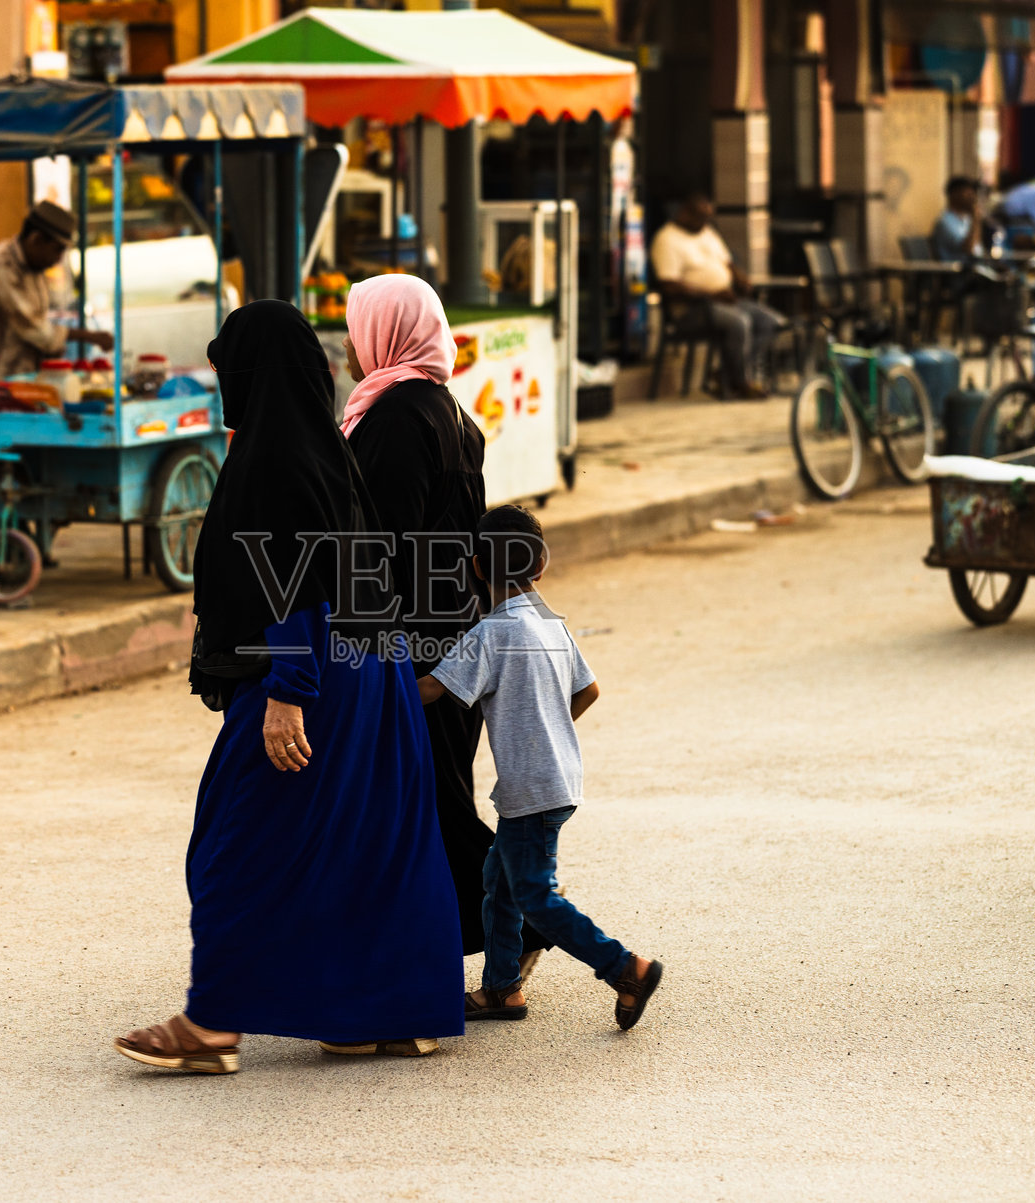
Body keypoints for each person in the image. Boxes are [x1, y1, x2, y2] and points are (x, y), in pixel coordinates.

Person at [114, 300, 463, 1074]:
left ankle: (210, 1026)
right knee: (363, 846)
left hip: (310, 675)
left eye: (225, 367)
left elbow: (296, 581)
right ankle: (383, 1015)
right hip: (371, 675)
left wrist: (289, 689)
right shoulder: (327, 450)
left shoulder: (275, 458)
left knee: (235, 842)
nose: (221, 381)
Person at [339, 273, 556, 977]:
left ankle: (529, 921)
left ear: (387, 332)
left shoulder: (398, 416)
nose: (348, 347)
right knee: (429, 795)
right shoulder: (449, 413)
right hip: (454, 630)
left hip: (416, 644)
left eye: (355, 330)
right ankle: (473, 935)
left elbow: (380, 544)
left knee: (433, 802)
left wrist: (360, 643)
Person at [417, 504, 663, 1031]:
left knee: (533, 895)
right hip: (557, 780)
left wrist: (370, 687)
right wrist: (549, 727)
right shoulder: (552, 626)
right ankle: (502, 988)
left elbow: (431, 690)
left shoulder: (490, 633)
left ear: (477, 567)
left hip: (531, 790)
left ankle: (626, 969)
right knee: (499, 882)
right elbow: (589, 691)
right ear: (541, 565)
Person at [649, 195, 781, 400]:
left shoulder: (707, 233)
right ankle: (740, 383)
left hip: (725, 300)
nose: (705, 222)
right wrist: (712, 295)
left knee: (770, 322)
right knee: (740, 322)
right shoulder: (667, 239)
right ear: (685, 213)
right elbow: (669, 285)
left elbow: (727, 262)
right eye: (701, 217)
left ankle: (725, 375)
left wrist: (740, 279)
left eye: (708, 218)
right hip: (691, 310)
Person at [0, 200, 112, 379]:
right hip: (2, 378)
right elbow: (35, 328)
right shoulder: (5, 264)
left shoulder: (35, 266)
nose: (58, 259)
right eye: (57, 250)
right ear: (36, 239)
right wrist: (89, 336)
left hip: (31, 376)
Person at [931, 176, 984, 262]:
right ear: (954, 194)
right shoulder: (945, 222)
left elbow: (977, 249)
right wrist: (975, 218)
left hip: (974, 265)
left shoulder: (966, 220)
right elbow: (968, 249)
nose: (972, 197)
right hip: (956, 269)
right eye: (968, 193)